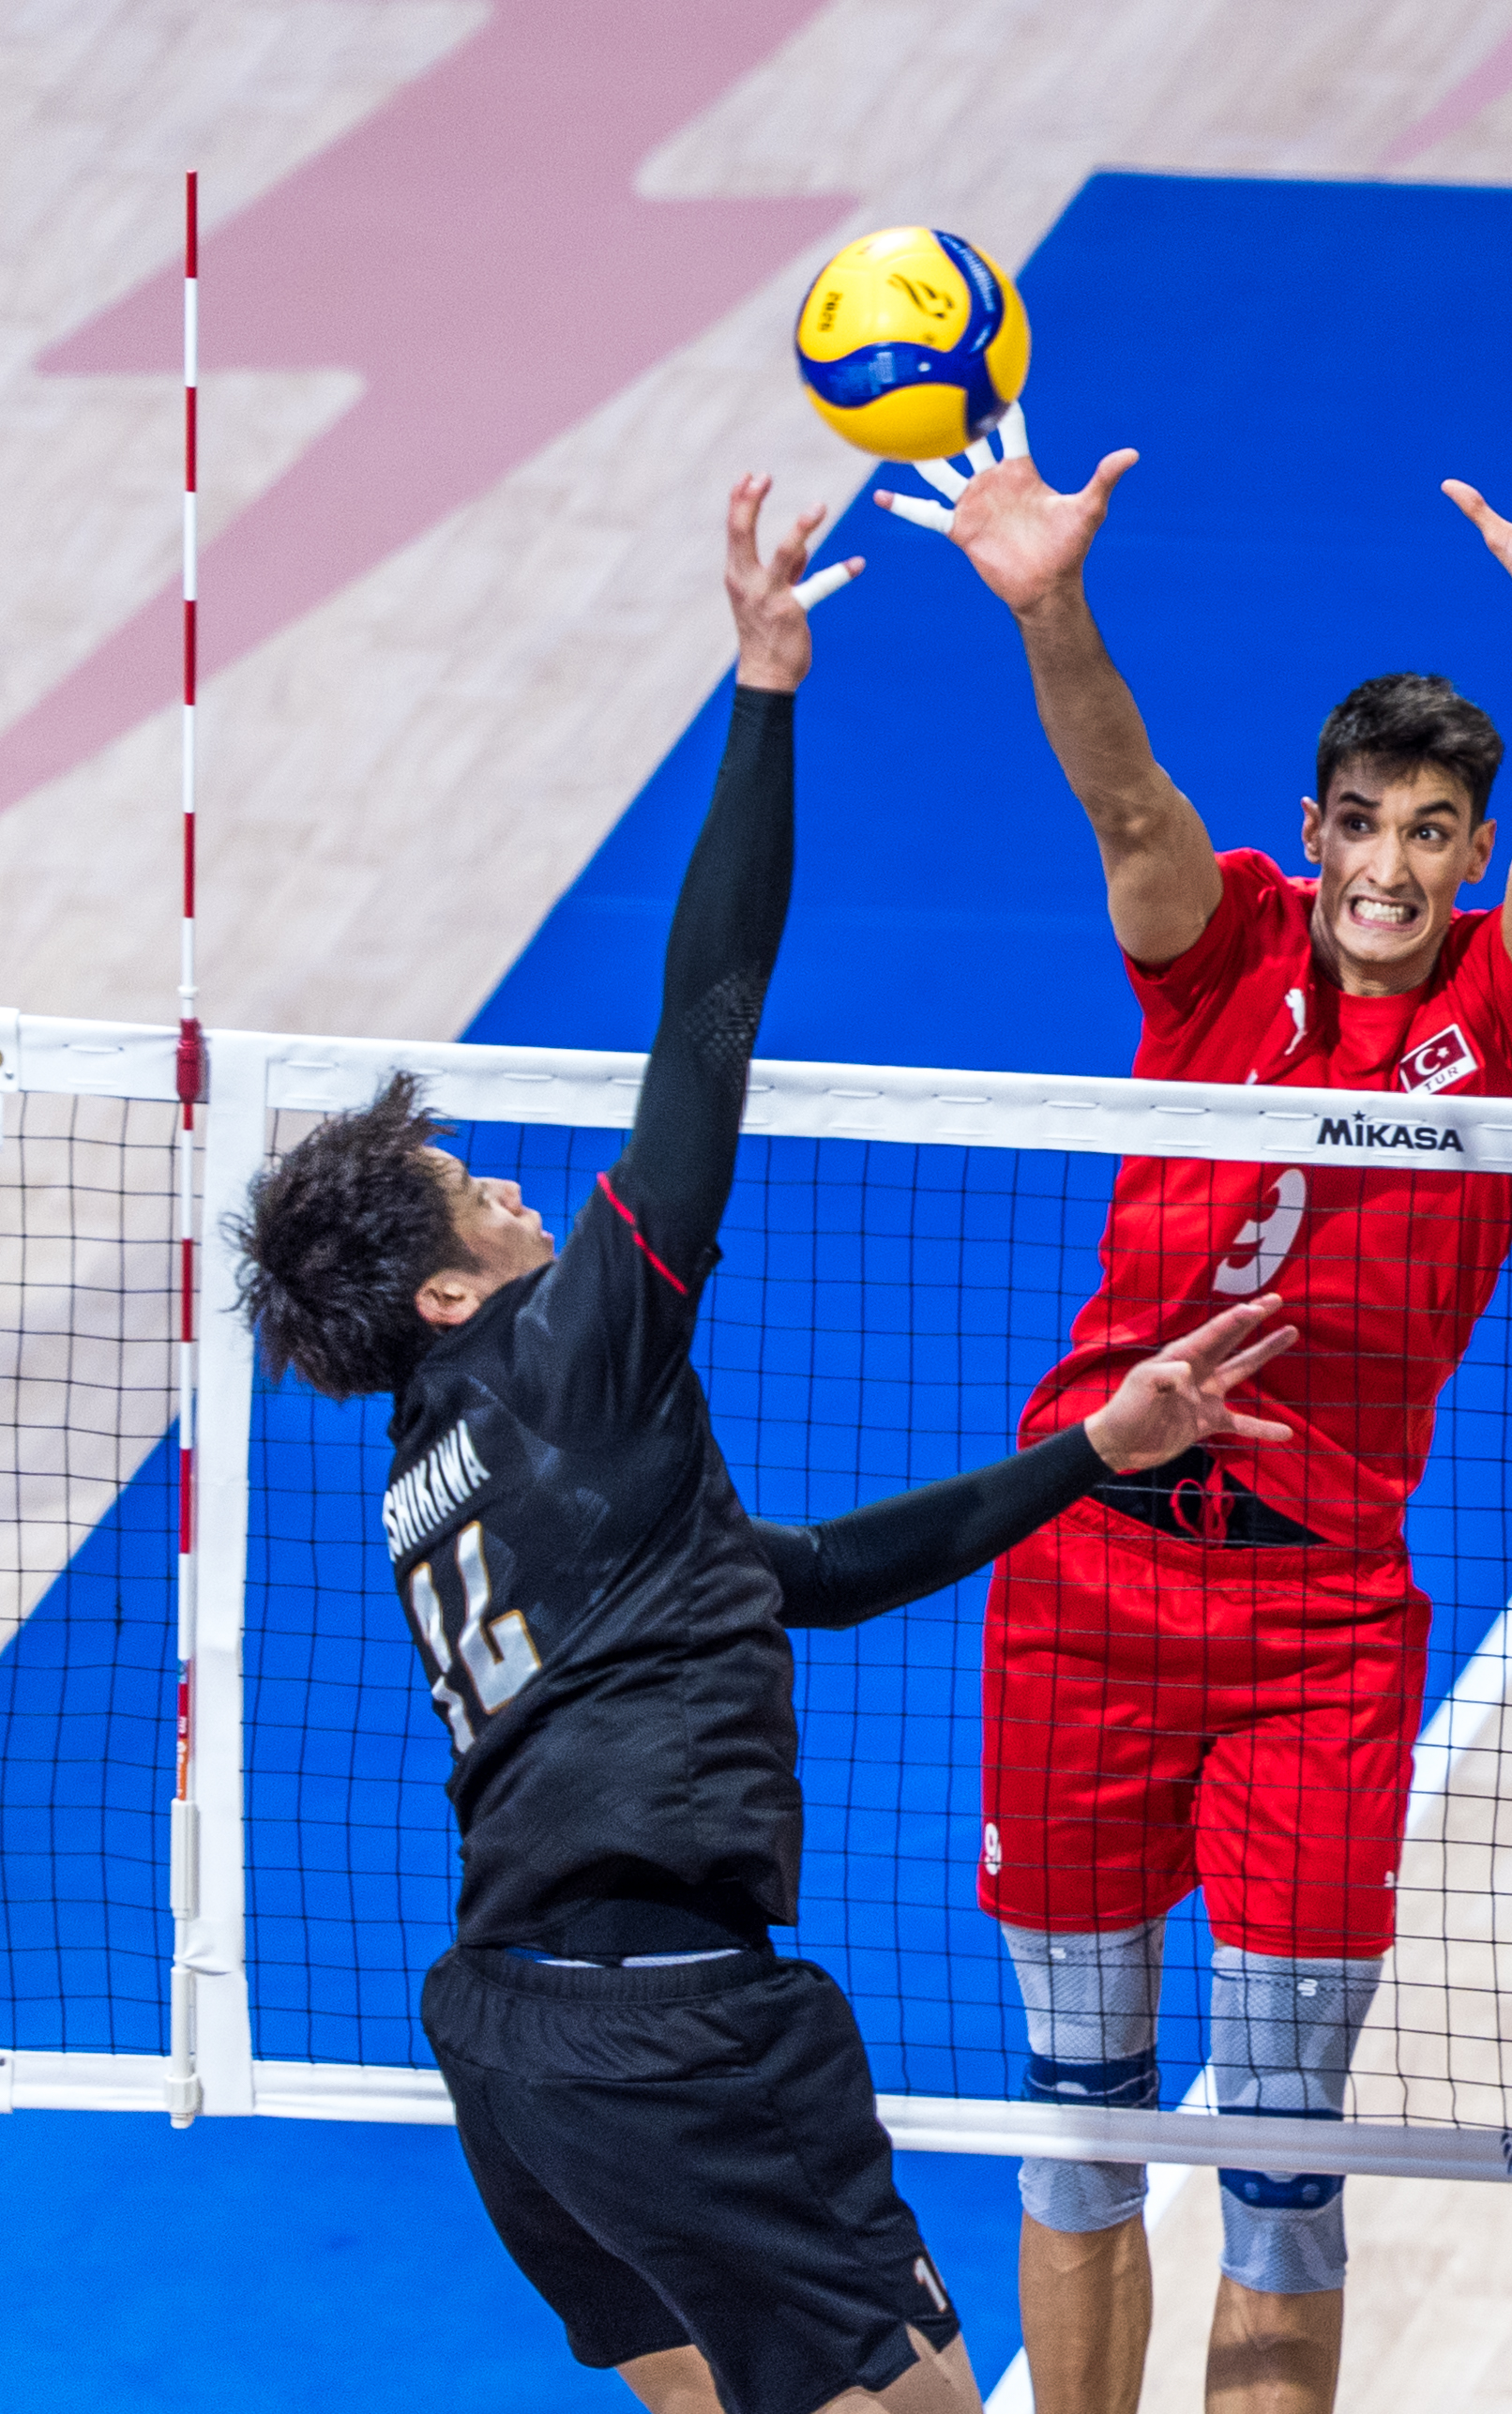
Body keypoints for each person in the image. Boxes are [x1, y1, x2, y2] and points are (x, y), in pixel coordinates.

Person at [227, 483, 1298, 2414]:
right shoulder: (571, 1356)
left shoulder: (430, 1469)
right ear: (449, 1291)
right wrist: (766, 684)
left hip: (511, 2043)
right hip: (683, 2034)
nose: (507, 1186)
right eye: (468, 1193)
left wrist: (1095, 1449)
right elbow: (704, 1019)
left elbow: (800, 1579)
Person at [879, 388, 1512, 2414]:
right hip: (1082, 1579)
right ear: (1313, 830)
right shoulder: (1219, 944)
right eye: (1362, 821)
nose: (1390, 862)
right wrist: (1048, 608)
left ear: (1465, 855)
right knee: (1078, 2119)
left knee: (1279, 2159)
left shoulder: (1508, 1010)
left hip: (1317, 1621)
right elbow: (1124, 802)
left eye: (1431, 830)